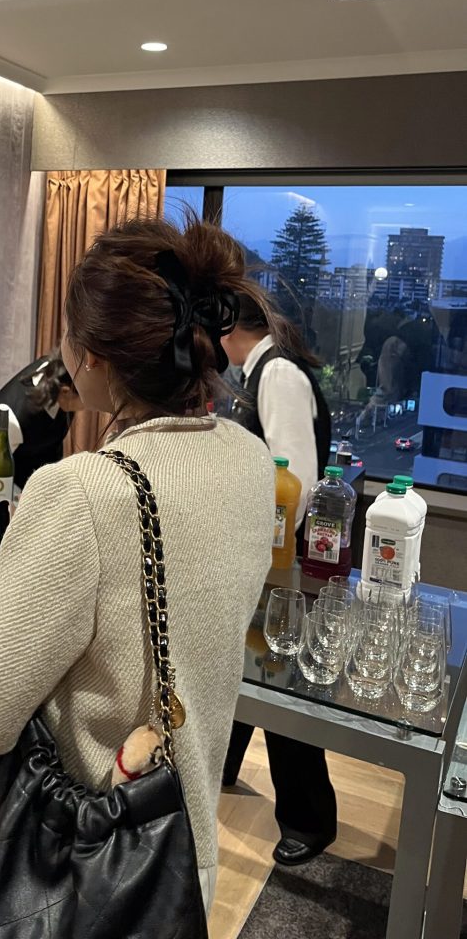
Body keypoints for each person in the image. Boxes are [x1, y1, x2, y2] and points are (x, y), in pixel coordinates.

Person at [0, 216, 275, 913]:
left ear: (92, 357)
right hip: (181, 860)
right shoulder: (252, 460)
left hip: (87, 873)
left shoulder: (85, 491)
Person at [220, 291, 337, 866]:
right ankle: (221, 763)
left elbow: (298, 483)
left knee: (279, 675)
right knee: (244, 665)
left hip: (278, 561)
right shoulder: (259, 373)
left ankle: (310, 819)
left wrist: (260, 552)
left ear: (226, 328)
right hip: (264, 554)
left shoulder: (278, 375)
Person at [0, 348, 81, 490]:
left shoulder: (62, 376)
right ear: (65, 392)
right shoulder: (12, 420)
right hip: (13, 491)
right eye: (84, 399)